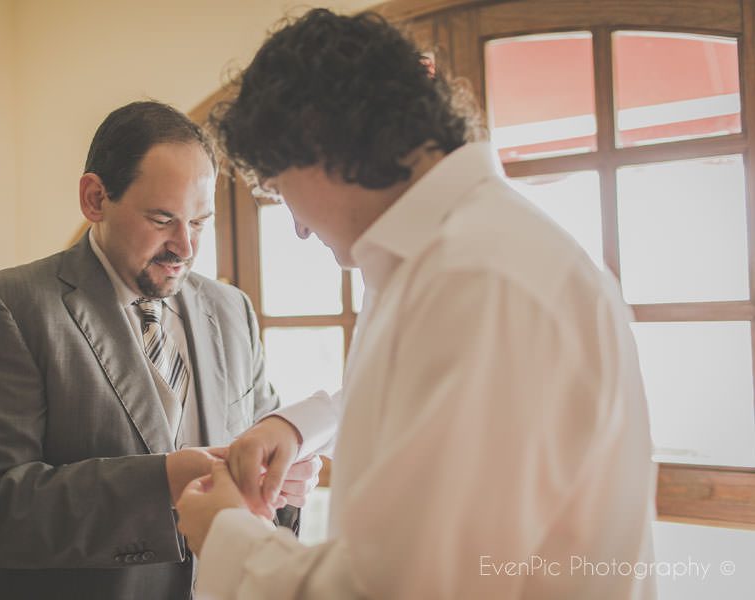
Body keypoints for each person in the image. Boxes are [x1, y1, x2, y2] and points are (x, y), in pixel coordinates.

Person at [175, 9, 657, 600]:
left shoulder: (478, 279)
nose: (297, 226)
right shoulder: (452, 258)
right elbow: (444, 407)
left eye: (279, 188)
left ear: (320, 142)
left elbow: (405, 588)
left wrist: (228, 536)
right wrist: (302, 425)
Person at [0, 101, 319, 600]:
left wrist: (284, 487)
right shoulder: (7, 307)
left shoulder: (231, 311)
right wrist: (161, 485)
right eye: (162, 220)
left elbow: (263, 456)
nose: (186, 247)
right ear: (95, 198)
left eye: (199, 222)